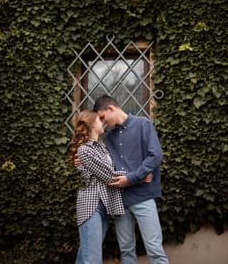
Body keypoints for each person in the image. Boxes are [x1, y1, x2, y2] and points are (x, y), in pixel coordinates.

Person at [93, 95, 169, 264]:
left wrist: (131, 178)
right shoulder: (107, 137)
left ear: (111, 108)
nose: (103, 122)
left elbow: (155, 155)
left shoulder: (143, 124)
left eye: (103, 117)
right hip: (120, 200)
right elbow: (103, 164)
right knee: (126, 250)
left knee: (154, 248)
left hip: (144, 197)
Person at [70, 110, 126, 264]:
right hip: (91, 206)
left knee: (85, 254)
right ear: (91, 124)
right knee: (92, 258)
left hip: (104, 206)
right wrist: (138, 176)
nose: (103, 122)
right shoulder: (84, 150)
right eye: (99, 119)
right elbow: (108, 175)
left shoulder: (101, 146)